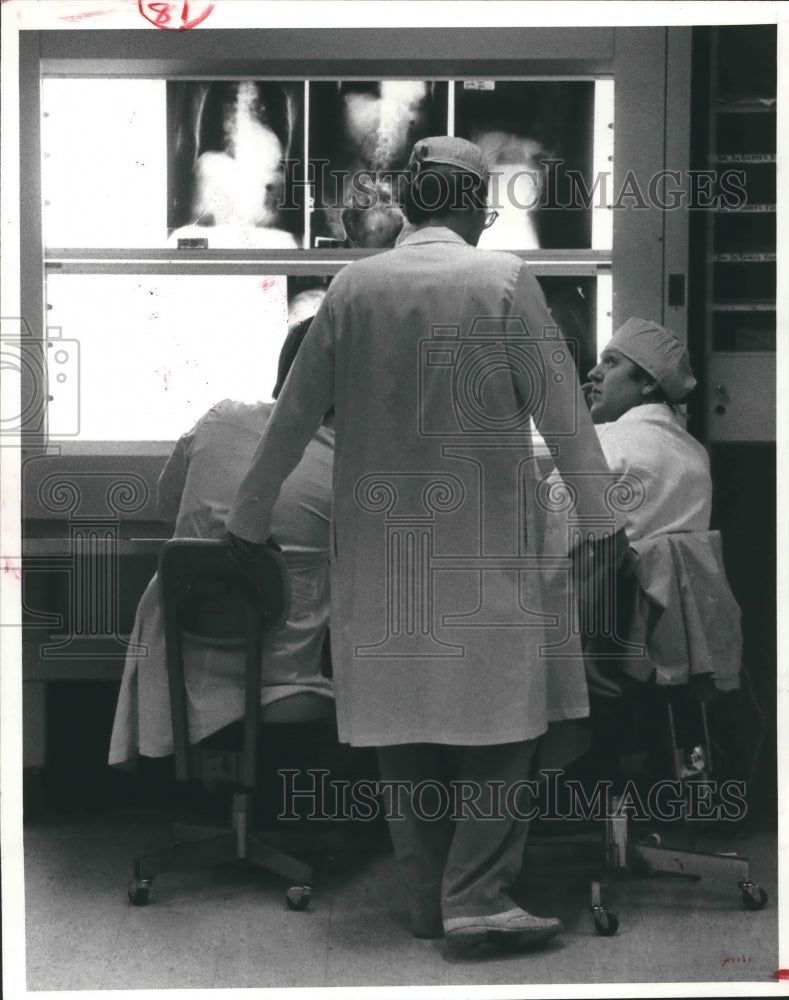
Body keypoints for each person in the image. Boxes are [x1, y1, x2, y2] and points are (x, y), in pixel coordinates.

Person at [226, 136, 626, 954]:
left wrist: (244, 522)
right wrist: (603, 528)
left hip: (381, 561)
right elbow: (564, 417)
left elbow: (290, 422)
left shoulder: (351, 287)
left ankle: (425, 899)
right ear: (476, 204)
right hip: (486, 555)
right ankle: (477, 895)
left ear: (410, 202)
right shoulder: (504, 280)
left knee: (400, 729)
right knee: (506, 727)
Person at [108, 318, 334, 769]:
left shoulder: (220, 418)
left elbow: (165, 502)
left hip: (179, 680)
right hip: (283, 687)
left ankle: (226, 806)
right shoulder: (345, 460)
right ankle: (321, 822)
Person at [583, 316, 741, 697]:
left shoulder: (605, 445)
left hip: (603, 640)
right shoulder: (694, 453)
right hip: (668, 649)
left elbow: (555, 540)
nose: (593, 373)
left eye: (611, 362)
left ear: (649, 381)